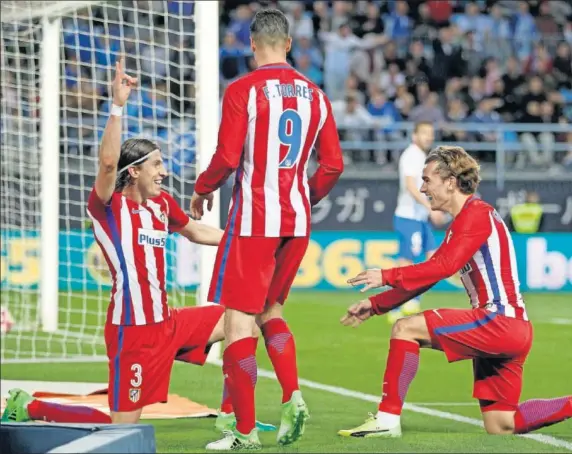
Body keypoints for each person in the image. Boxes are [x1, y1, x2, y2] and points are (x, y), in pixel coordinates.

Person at [2, 58, 271, 434]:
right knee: (120, 432)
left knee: (242, 320)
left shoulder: (161, 204)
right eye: (157, 165)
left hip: (169, 321)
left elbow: (195, 230)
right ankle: (31, 407)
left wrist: (246, 243)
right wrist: (116, 106)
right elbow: (109, 162)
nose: (165, 172)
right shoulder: (108, 207)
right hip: (133, 332)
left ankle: (234, 415)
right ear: (135, 172)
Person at [190, 9, 344, 451]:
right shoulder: (316, 95)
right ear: (290, 45)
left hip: (255, 221)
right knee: (270, 312)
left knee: (238, 324)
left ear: (252, 45)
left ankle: (245, 432)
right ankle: (292, 394)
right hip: (296, 222)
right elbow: (333, 164)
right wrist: (303, 196)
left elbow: (226, 156)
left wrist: (202, 192)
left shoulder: (243, 89)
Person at [338, 145, 571, 438]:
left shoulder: (476, 214)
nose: (422, 188)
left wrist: (385, 274)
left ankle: (386, 420)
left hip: (499, 321)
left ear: (450, 181)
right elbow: (431, 274)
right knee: (502, 424)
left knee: (405, 328)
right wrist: (375, 305)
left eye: (427, 180)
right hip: (511, 327)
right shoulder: (466, 220)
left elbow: (444, 266)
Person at [390, 121, 445, 324]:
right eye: (424, 133)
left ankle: (412, 299)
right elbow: (411, 187)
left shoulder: (422, 157)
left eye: (430, 133)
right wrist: (430, 208)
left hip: (419, 217)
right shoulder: (412, 155)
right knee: (406, 261)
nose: (428, 137)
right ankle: (394, 305)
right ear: (415, 136)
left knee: (432, 259)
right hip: (408, 216)